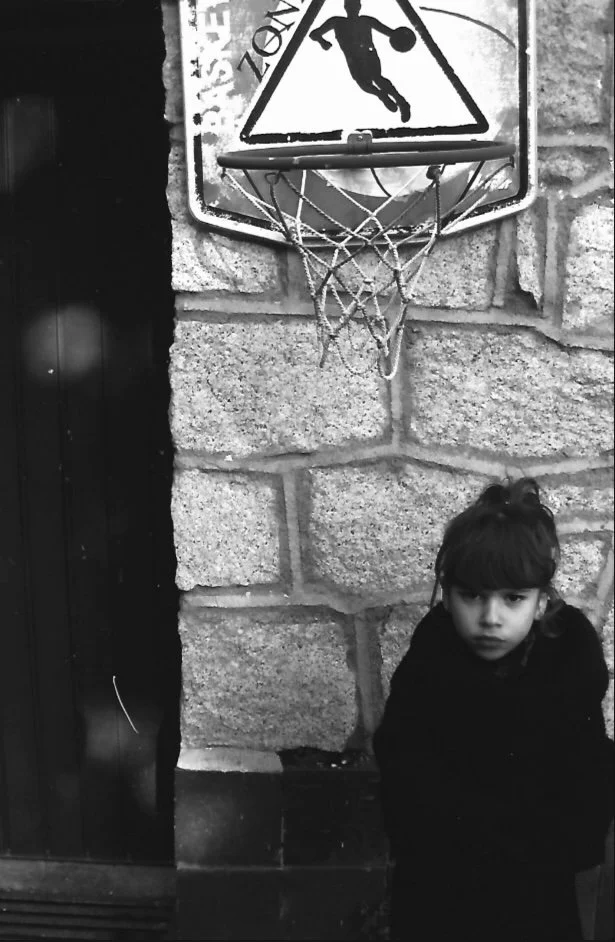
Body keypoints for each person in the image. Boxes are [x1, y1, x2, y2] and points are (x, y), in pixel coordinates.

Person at [373, 477, 613, 942]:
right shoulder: (431, 663)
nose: (490, 617)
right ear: (447, 594)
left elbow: (586, 784)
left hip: (536, 896)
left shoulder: (568, 670)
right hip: (440, 895)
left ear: (542, 602)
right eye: (473, 596)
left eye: (513, 599)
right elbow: (403, 774)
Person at [310, 0, 412, 123]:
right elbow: (314, 34)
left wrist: (401, 37)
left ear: (359, 7)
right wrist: (322, 41)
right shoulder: (337, 22)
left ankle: (401, 102)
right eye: (349, 6)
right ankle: (383, 96)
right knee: (364, 83)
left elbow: (390, 32)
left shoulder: (365, 21)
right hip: (353, 58)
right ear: (345, 7)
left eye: (354, 5)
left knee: (376, 78)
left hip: (368, 54)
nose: (352, 9)